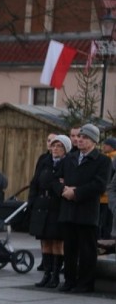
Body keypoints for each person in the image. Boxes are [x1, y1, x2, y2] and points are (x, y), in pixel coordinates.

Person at [56, 124, 110, 294]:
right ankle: (69, 280)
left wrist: (76, 192)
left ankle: (85, 283)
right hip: (68, 210)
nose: (79, 140)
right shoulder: (69, 159)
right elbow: (55, 179)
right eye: (79, 136)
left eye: (85, 137)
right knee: (70, 249)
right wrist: (63, 191)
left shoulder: (103, 161)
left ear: (93, 141)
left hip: (87, 212)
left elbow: (99, 184)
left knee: (87, 249)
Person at [28, 135, 68, 288]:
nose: (55, 149)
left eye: (59, 146)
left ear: (65, 150)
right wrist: (32, 201)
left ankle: (56, 275)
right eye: (53, 146)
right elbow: (35, 182)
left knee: (57, 241)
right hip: (41, 205)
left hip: (56, 206)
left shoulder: (66, 163)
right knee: (44, 241)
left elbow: (63, 183)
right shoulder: (44, 162)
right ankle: (47, 273)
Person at [98, 137, 116, 239]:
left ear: (112, 147)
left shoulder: (111, 159)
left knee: (105, 223)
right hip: (106, 197)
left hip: (106, 198)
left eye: (106, 144)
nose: (104, 146)